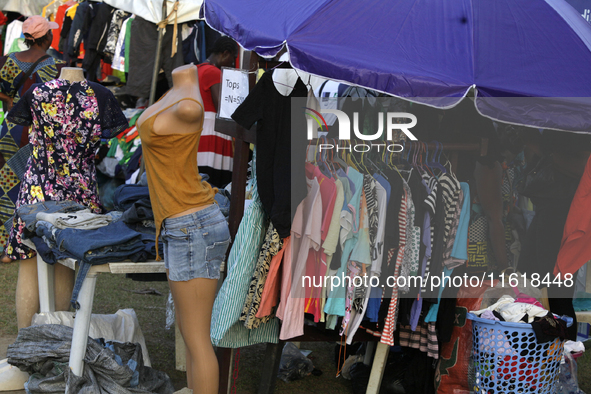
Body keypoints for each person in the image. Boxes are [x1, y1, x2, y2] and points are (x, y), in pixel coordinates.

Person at [138, 64, 231, 394]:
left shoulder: (189, 105)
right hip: (185, 223)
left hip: (192, 226)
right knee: (191, 335)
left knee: (196, 338)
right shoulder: (176, 91)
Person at [0, 16, 64, 256]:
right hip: (38, 134)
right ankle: (24, 243)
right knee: (34, 189)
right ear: (47, 37)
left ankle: (4, 246)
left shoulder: (7, 61)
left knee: (6, 186)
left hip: (10, 130)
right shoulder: (58, 66)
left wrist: (9, 100)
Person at [196, 36, 238, 188]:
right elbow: (222, 107)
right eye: (232, 58)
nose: (233, 64)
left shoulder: (198, 69)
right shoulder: (213, 73)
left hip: (200, 131)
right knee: (214, 184)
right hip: (214, 132)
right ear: (226, 53)